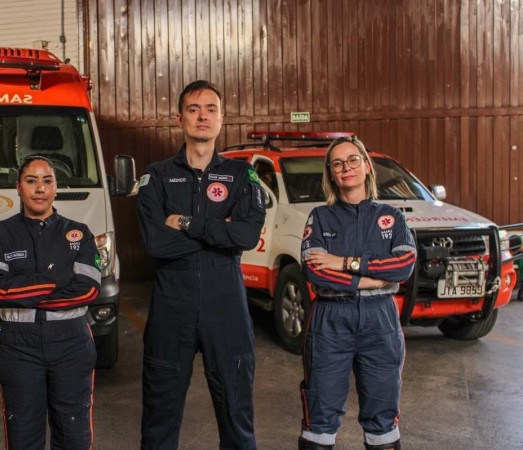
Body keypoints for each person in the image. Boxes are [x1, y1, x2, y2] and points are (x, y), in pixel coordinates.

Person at [137, 80, 266, 450]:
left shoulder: (242, 176)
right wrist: (217, 232)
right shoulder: (157, 177)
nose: (202, 116)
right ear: (179, 118)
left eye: (210, 109)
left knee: (237, 418)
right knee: (159, 419)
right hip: (171, 308)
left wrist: (186, 222)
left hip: (226, 308)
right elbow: (155, 242)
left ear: (222, 119)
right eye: (194, 109)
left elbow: (244, 236)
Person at [298, 136, 416, 450]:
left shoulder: (391, 215)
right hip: (330, 320)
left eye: (352, 160)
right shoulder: (319, 217)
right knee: (319, 415)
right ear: (331, 175)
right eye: (337, 163)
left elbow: (403, 265)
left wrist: (343, 262)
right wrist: (370, 280)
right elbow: (315, 271)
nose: (345, 167)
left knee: (382, 415)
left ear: (366, 166)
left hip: (380, 321)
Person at [0, 155, 101, 449]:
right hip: (19, 348)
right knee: (23, 437)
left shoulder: (79, 233)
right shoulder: (0, 233)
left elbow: (88, 290)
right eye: (31, 181)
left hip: (71, 343)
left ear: (56, 188)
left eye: (47, 181)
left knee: (74, 435)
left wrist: (27, 289)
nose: (40, 189)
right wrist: (57, 280)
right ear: (19, 188)